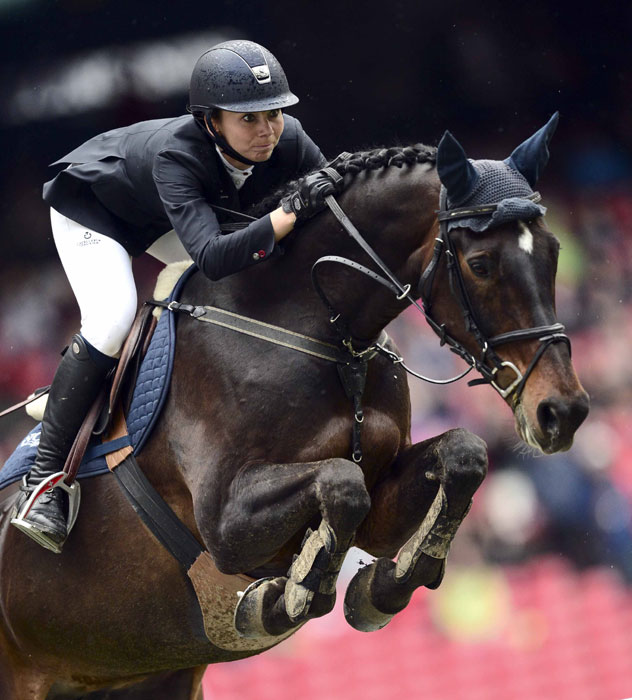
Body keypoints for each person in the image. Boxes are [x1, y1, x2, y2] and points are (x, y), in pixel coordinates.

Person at [11, 39, 338, 553]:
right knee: (114, 316)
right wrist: (281, 220)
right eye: (247, 120)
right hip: (94, 212)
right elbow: (210, 254)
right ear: (211, 122)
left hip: (157, 214)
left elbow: (333, 201)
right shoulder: (177, 155)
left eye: (273, 113)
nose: (266, 130)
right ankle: (45, 481)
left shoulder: (288, 139)